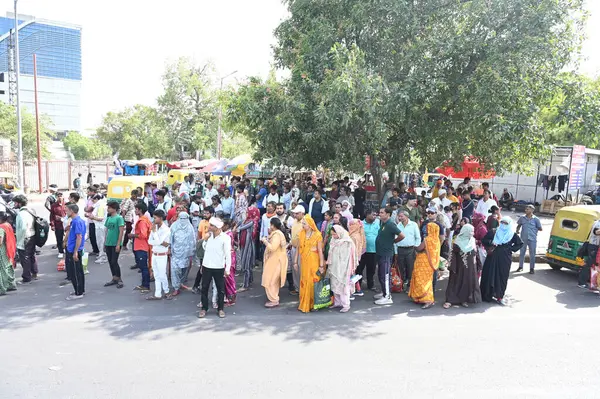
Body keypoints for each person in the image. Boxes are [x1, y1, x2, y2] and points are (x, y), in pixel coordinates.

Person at [480, 216, 524, 305]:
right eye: (502, 222)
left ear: (509, 224)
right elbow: (484, 240)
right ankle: (486, 295)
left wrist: (510, 248)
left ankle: (499, 296)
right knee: (489, 274)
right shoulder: (494, 231)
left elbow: (520, 244)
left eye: (506, 223)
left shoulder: (512, 234)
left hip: (505, 258)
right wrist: (491, 242)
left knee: (502, 276)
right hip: (492, 256)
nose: (503, 225)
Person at [198, 217, 232, 319]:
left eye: (212, 226)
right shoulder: (209, 236)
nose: (209, 227)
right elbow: (205, 249)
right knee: (204, 288)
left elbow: (228, 254)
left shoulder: (225, 238)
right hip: (207, 266)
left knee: (220, 289)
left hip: (218, 267)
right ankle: (204, 308)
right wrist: (205, 239)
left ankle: (220, 309)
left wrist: (227, 269)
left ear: (217, 228)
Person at [443, 224, 482, 308]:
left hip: (470, 268)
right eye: (471, 231)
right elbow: (452, 254)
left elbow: (476, 253)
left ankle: (464, 300)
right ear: (465, 231)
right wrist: (452, 266)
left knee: (466, 283)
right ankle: (450, 300)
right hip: (458, 267)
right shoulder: (457, 241)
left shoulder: (472, 241)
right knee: (455, 282)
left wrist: (478, 265)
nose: (472, 233)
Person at [374, 207, 405, 305]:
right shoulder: (383, 223)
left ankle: (387, 296)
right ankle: (384, 292)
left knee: (385, 275)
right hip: (380, 252)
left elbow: (402, 235)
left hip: (386, 254)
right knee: (380, 274)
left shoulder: (391, 224)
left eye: (382, 213)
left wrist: (394, 241)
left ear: (388, 214)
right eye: (380, 212)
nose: (380, 214)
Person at [295, 215, 324, 313]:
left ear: (310, 225)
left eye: (304, 224)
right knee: (304, 280)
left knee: (314, 282)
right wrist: (295, 262)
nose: (302, 225)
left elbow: (320, 251)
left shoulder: (317, 235)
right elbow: (298, 248)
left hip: (314, 261)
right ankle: (305, 304)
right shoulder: (301, 234)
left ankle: (314, 304)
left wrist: (321, 265)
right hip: (304, 262)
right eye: (302, 223)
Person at [408, 222, 440, 309]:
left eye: (428, 228)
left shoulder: (428, 239)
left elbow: (419, 248)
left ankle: (428, 300)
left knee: (421, 280)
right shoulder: (437, 239)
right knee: (427, 281)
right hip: (431, 263)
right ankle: (421, 298)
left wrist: (414, 246)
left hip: (423, 263)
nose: (426, 230)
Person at [327, 225, 358, 313]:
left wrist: (351, 268)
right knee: (334, 285)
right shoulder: (334, 240)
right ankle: (337, 303)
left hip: (344, 268)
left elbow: (350, 257)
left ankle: (346, 305)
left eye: (334, 234)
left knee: (343, 286)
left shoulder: (347, 242)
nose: (333, 236)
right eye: (332, 234)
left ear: (339, 232)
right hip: (334, 267)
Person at [261, 217, 289, 307]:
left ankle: (274, 299)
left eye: (270, 225)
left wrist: (265, 241)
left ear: (273, 225)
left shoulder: (277, 235)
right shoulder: (277, 234)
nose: (270, 226)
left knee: (269, 279)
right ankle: (274, 298)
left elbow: (272, 248)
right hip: (276, 259)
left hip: (276, 260)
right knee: (273, 280)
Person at [169, 212, 196, 297]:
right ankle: (176, 287)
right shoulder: (174, 226)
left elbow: (193, 240)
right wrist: (170, 247)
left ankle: (180, 283)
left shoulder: (190, 227)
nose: (183, 221)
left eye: (185, 219)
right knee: (175, 270)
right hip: (176, 252)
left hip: (186, 253)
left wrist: (192, 251)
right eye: (181, 218)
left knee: (185, 268)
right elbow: (170, 238)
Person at [146, 210, 171, 300]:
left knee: (162, 275)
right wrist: (159, 242)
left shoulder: (166, 229)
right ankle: (158, 294)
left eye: (155, 218)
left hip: (162, 255)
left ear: (160, 218)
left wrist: (155, 235)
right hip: (154, 254)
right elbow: (150, 241)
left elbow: (159, 241)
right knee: (156, 275)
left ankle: (167, 291)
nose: (153, 219)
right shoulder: (154, 228)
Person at [396, 210, 421, 293]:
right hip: (400, 249)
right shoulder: (398, 225)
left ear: (406, 216)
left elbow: (418, 237)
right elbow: (395, 239)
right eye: (399, 216)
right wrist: (396, 251)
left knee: (410, 268)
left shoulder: (413, 225)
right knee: (400, 268)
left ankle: (410, 286)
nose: (399, 218)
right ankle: (401, 285)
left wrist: (416, 248)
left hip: (410, 249)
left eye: (401, 216)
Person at [13, 195, 37, 284]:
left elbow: (22, 228)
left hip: (25, 237)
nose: (14, 204)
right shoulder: (30, 210)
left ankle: (26, 277)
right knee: (31, 255)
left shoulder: (21, 214)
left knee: (25, 258)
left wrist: (19, 240)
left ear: (19, 203)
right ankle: (34, 272)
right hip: (32, 235)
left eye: (15, 203)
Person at [355, 210, 379, 295]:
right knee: (360, 268)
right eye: (373, 214)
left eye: (376, 215)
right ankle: (358, 286)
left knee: (371, 268)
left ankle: (371, 285)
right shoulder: (360, 224)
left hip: (373, 250)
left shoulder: (377, 223)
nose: (375, 216)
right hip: (362, 251)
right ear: (367, 215)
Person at [65, 203, 86, 300]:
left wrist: (75, 251)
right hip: (73, 248)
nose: (66, 211)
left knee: (75, 272)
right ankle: (80, 289)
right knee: (78, 271)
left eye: (67, 210)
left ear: (72, 211)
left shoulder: (77, 222)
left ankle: (79, 292)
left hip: (74, 250)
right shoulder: (75, 221)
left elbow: (79, 237)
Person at [238, 203, 260, 291]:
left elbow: (240, 228)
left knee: (246, 264)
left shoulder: (251, 221)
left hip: (248, 245)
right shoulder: (248, 220)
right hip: (245, 244)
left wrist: (238, 226)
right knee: (248, 264)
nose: (246, 214)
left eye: (247, 212)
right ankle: (248, 280)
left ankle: (245, 285)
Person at [104, 201, 125, 289]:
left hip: (115, 243)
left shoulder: (119, 218)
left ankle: (119, 278)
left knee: (114, 261)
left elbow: (121, 232)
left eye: (109, 207)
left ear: (114, 209)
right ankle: (114, 277)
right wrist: (104, 243)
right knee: (110, 261)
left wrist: (118, 244)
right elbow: (106, 231)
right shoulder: (108, 218)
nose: (108, 209)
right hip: (108, 243)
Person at [516, 204, 542, 274]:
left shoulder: (536, 219)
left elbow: (540, 228)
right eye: (526, 209)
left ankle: (532, 268)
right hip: (523, 238)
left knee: (532, 254)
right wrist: (517, 231)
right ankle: (520, 267)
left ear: (532, 210)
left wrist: (534, 229)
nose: (526, 210)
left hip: (532, 238)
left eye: (528, 209)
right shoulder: (522, 218)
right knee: (522, 253)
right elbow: (519, 225)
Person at [131, 202, 151, 293]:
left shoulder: (142, 221)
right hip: (142, 245)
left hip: (141, 246)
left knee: (143, 267)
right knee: (143, 267)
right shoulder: (144, 219)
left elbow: (143, 235)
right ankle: (144, 284)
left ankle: (146, 285)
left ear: (140, 210)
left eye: (136, 209)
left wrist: (133, 235)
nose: (135, 211)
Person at [0, 212, 16, 295]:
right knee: (9, 266)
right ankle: (11, 285)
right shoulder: (8, 225)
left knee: (2, 269)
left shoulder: (1, 228)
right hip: (9, 248)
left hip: (2, 250)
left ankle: (2, 288)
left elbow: (0, 241)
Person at [580, 219, 600, 289]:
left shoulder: (596, 222)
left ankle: (594, 283)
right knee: (588, 264)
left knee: (593, 265)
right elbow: (596, 231)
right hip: (593, 246)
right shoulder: (598, 224)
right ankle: (582, 282)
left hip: (594, 246)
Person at [222, 219, 237, 306]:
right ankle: (228, 296)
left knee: (229, 278)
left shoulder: (228, 235)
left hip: (229, 257)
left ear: (227, 226)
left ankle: (231, 298)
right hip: (227, 256)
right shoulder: (227, 233)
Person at [50, 192, 66, 259]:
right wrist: (52, 225)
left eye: (61, 195)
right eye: (58, 196)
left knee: (67, 238)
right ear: (56, 197)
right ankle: (60, 251)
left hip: (66, 224)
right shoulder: (54, 206)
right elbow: (52, 216)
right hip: (58, 225)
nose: (60, 197)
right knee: (59, 238)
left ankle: (65, 248)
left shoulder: (66, 204)